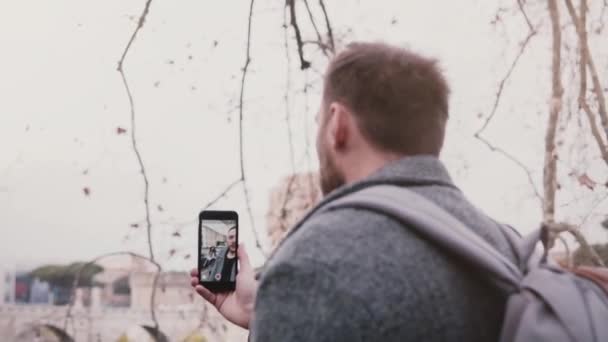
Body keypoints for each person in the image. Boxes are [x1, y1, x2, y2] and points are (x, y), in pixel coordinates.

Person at [190, 42, 519, 341]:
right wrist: (263, 314)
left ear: (337, 125)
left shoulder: (314, 265)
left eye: (318, 121)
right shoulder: (509, 250)